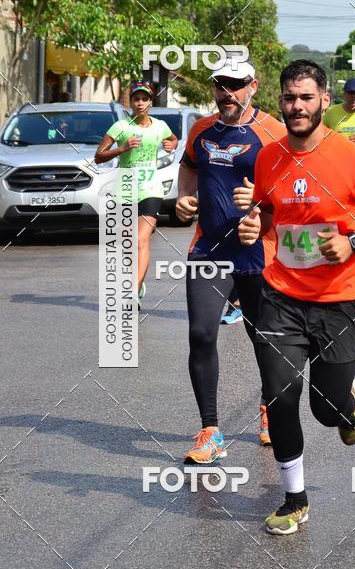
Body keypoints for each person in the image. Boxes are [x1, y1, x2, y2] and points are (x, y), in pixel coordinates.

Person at [238, 60, 355, 535]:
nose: (297, 106)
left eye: (306, 98)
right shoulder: (268, 158)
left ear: (324, 102)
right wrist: (255, 226)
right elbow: (268, 213)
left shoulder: (354, 158)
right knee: (280, 395)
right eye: (290, 97)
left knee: (325, 409)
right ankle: (294, 499)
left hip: (341, 300)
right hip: (281, 295)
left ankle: (345, 402)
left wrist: (354, 240)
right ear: (280, 100)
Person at [176, 58, 286, 459]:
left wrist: (260, 201)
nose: (227, 93)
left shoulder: (273, 132)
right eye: (220, 85)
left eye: (235, 85)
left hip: (259, 252)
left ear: (253, 86)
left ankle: (270, 408)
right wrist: (183, 198)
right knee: (201, 333)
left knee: (264, 338)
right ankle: (211, 432)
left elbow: (294, 188)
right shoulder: (201, 130)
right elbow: (188, 167)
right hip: (209, 248)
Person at [95, 80, 177, 300]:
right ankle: (137, 283)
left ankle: (133, 291)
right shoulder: (120, 127)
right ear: (130, 102)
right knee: (128, 243)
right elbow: (99, 156)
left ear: (151, 102)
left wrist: (172, 145)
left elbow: (173, 139)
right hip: (125, 188)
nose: (140, 103)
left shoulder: (160, 126)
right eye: (136, 99)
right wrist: (122, 148)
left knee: (141, 239)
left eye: (145, 99)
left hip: (151, 188)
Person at [323, 77, 355, 144]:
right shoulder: (331, 111)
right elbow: (320, 136)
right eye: (350, 93)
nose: (353, 96)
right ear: (344, 94)